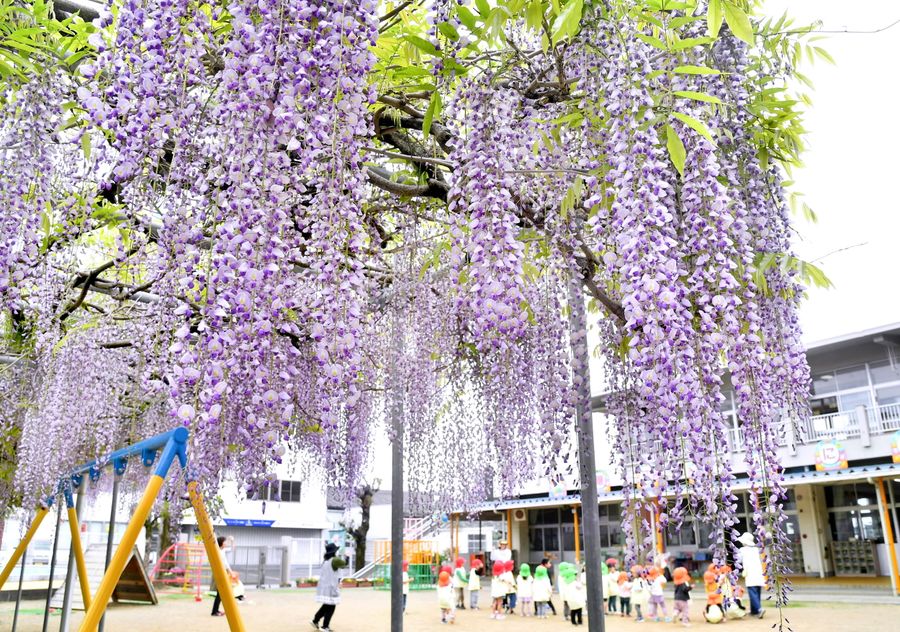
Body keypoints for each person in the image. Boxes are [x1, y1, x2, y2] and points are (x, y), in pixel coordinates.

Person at [311, 542, 347, 632]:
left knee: (327, 605)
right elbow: (344, 564)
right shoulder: (335, 560)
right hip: (331, 587)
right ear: (334, 551)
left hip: (324, 586)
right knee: (331, 606)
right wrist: (347, 556)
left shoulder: (326, 561)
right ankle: (325, 626)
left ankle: (315, 620)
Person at [737, 531, 766, 618]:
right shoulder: (757, 549)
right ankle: (754, 611)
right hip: (759, 572)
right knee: (757, 591)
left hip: (750, 573)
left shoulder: (742, 550)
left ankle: (759, 609)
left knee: (752, 592)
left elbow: (738, 560)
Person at [211, 536, 235, 617]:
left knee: (220, 593)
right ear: (221, 543)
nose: (226, 543)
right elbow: (224, 564)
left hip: (223, 572)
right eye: (225, 542)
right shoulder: (218, 551)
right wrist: (230, 572)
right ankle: (214, 611)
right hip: (220, 572)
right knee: (220, 592)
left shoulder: (223, 550)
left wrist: (232, 540)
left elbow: (232, 550)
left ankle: (215, 611)